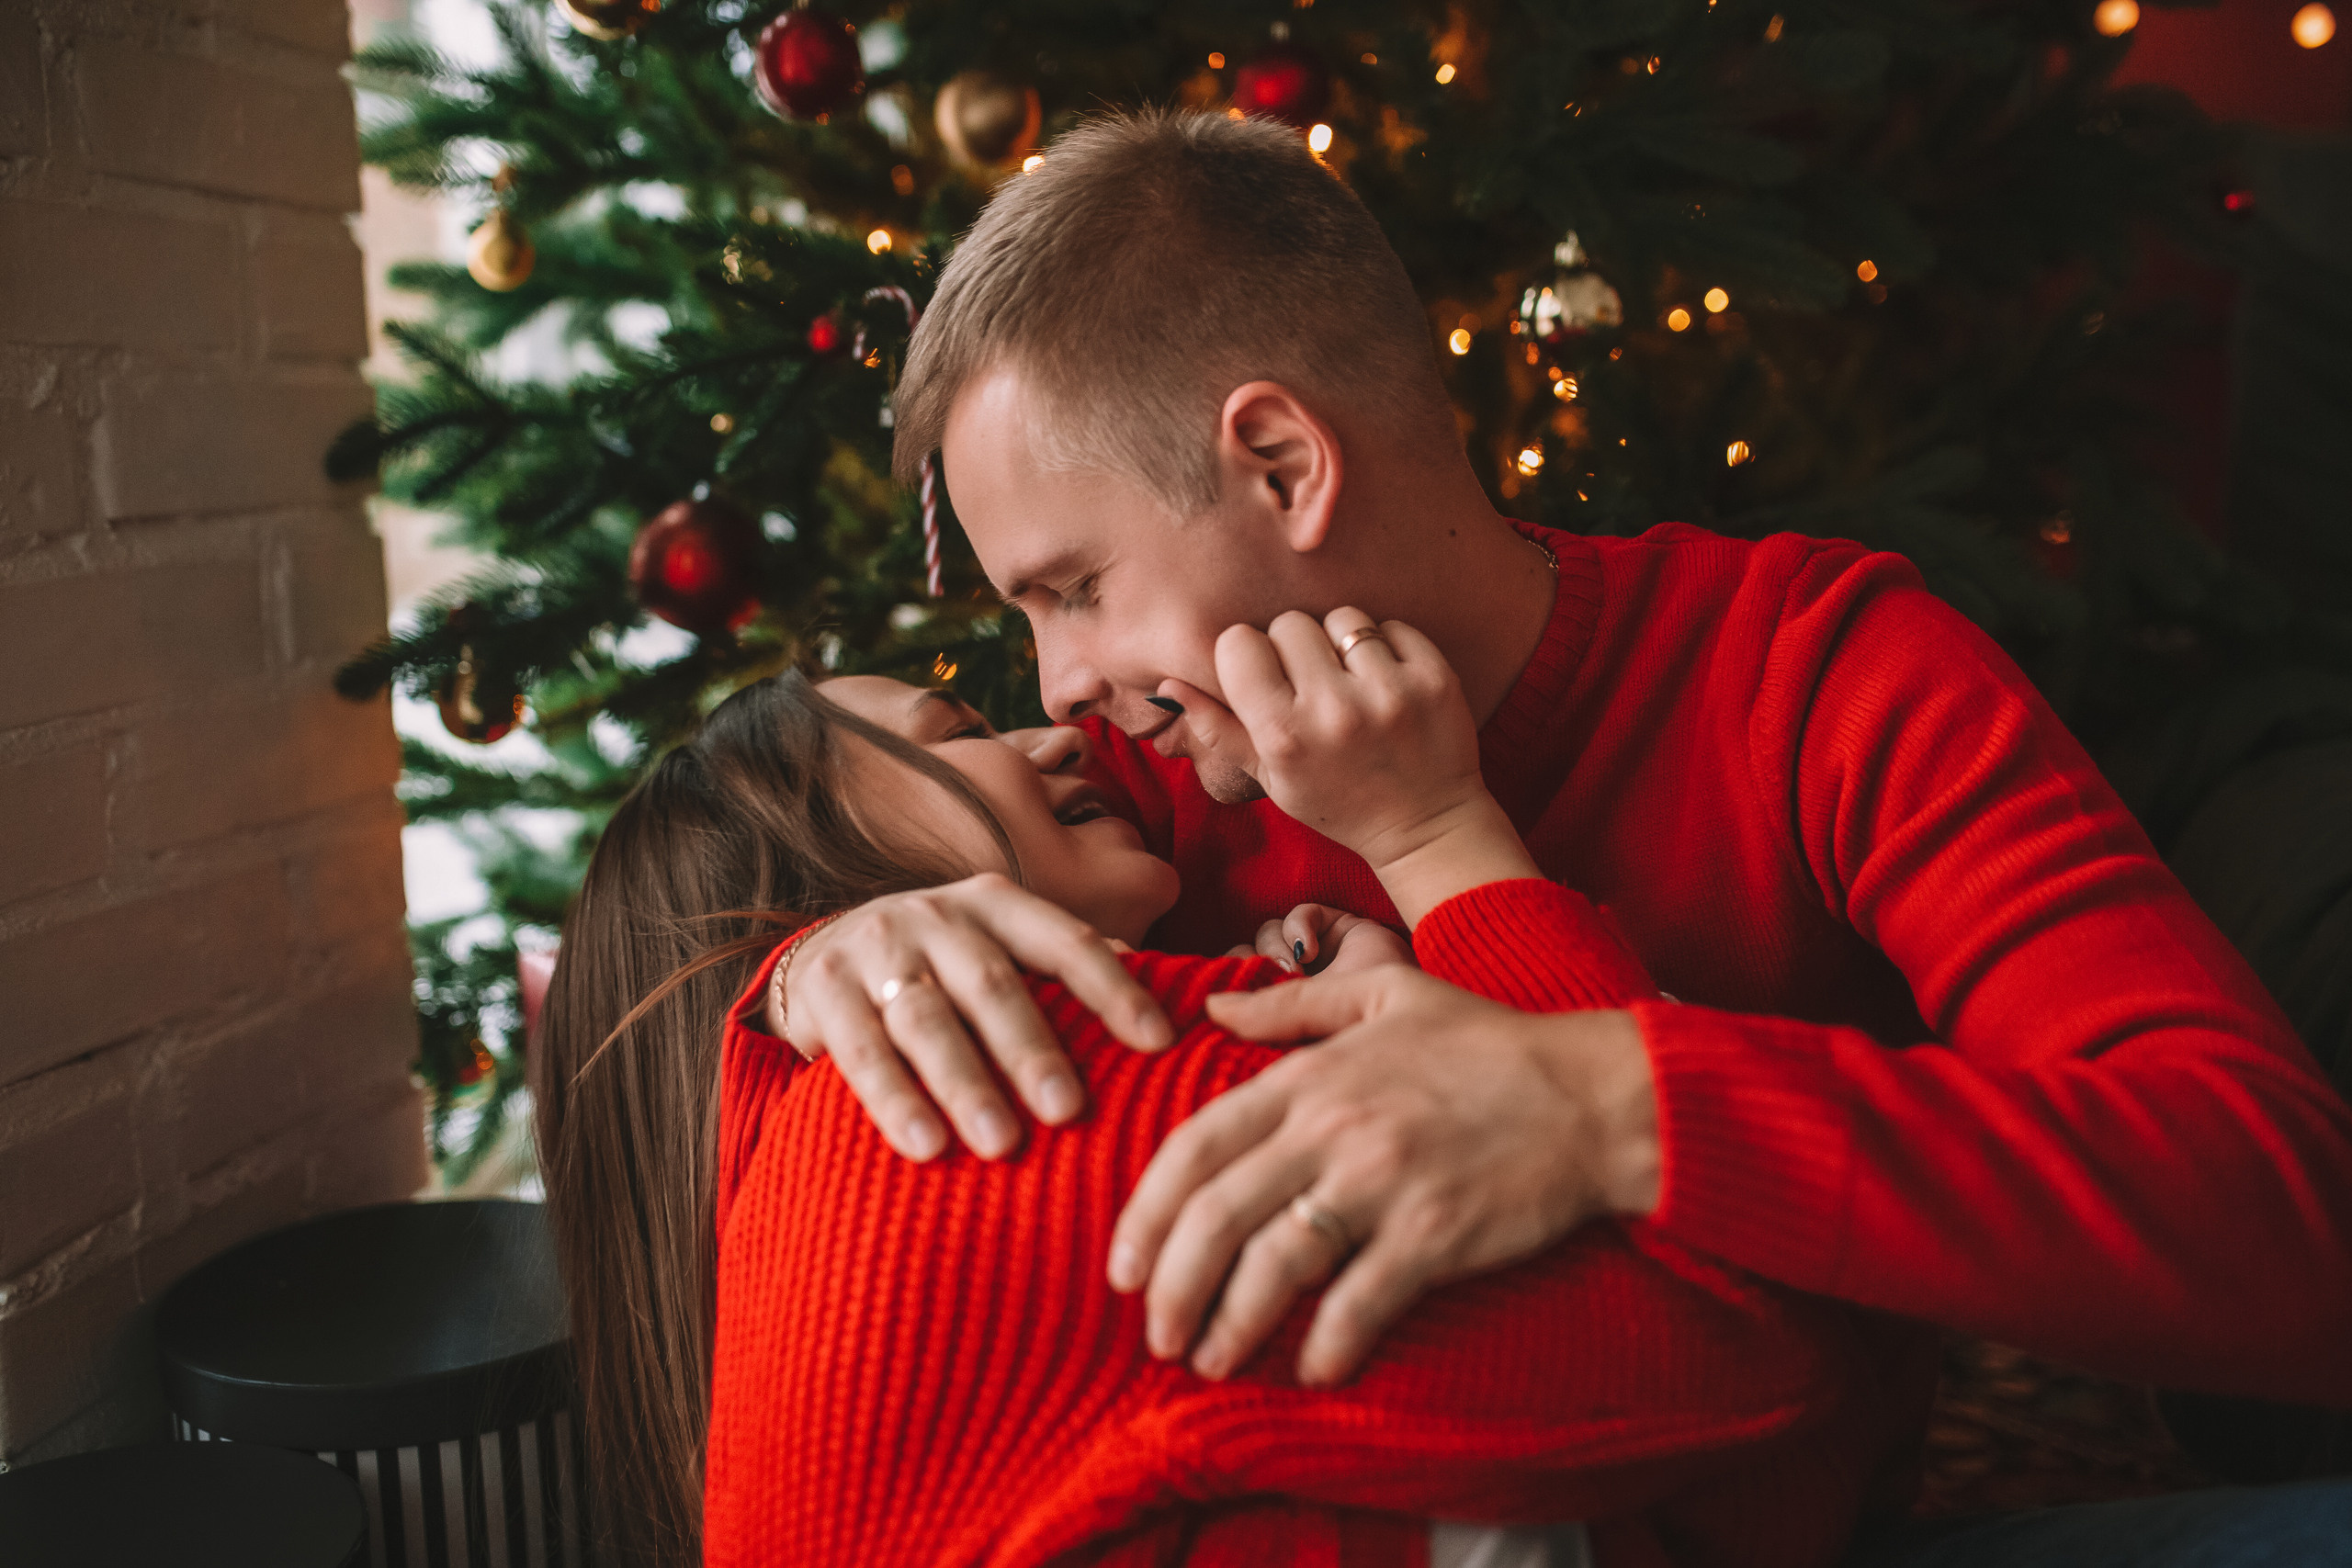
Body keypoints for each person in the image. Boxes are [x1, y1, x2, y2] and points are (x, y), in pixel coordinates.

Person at [773, 107, 2352, 1562]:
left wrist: (1618, 1107)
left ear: (1281, 465)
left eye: (1074, 589)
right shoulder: (1131, 795)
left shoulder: (1817, 675)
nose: (1058, 686)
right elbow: (709, 941)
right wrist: (809, 954)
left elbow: (2288, 1233)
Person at [533, 660, 1871, 1568]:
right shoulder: (1026, 1071)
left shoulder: (799, 1137)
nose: (1057, 724)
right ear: (824, 886)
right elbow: (1764, 1337)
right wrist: (1442, 838)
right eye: (961, 737)